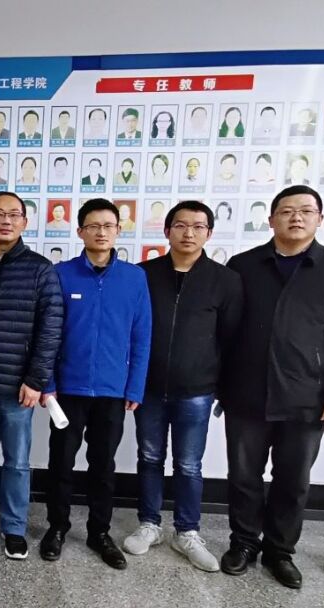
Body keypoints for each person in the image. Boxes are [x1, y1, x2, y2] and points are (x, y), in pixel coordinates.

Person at [220, 185, 324, 589]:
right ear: (271, 220)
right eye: (286, 211)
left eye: (306, 211)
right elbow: (226, 331)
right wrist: (221, 387)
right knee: (243, 476)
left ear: (320, 219)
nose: (296, 218)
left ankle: (280, 551)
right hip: (247, 392)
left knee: (293, 479)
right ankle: (243, 543)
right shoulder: (244, 265)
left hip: (307, 396)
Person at [125, 201, 242, 572]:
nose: (188, 233)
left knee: (189, 464)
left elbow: (231, 339)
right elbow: (131, 330)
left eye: (198, 226)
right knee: (149, 457)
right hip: (148, 387)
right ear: (167, 231)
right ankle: (149, 524)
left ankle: (187, 531)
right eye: (180, 225)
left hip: (197, 389)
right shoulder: (143, 275)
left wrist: (222, 386)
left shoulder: (225, 280)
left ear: (209, 233)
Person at [40, 198, 151, 567]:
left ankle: (99, 532)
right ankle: (57, 527)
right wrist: (47, 382)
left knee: (103, 465)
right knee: (60, 463)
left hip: (111, 391)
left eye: (108, 226)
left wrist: (134, 387)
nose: (101, 232)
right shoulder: (61, 274)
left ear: (118, 230)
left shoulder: (134, 278)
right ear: (80, 231)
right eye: (93, 226)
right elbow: (48, 333)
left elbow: (141, 337)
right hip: (67, 390)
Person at [0, 192, 63, 560]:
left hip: (19, 387)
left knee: (17, 462)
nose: (6, 220)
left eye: (14, 214)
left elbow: (51, 329)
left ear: (24, 222)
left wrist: (36, 380)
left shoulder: (40, 269)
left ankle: (15, 527)